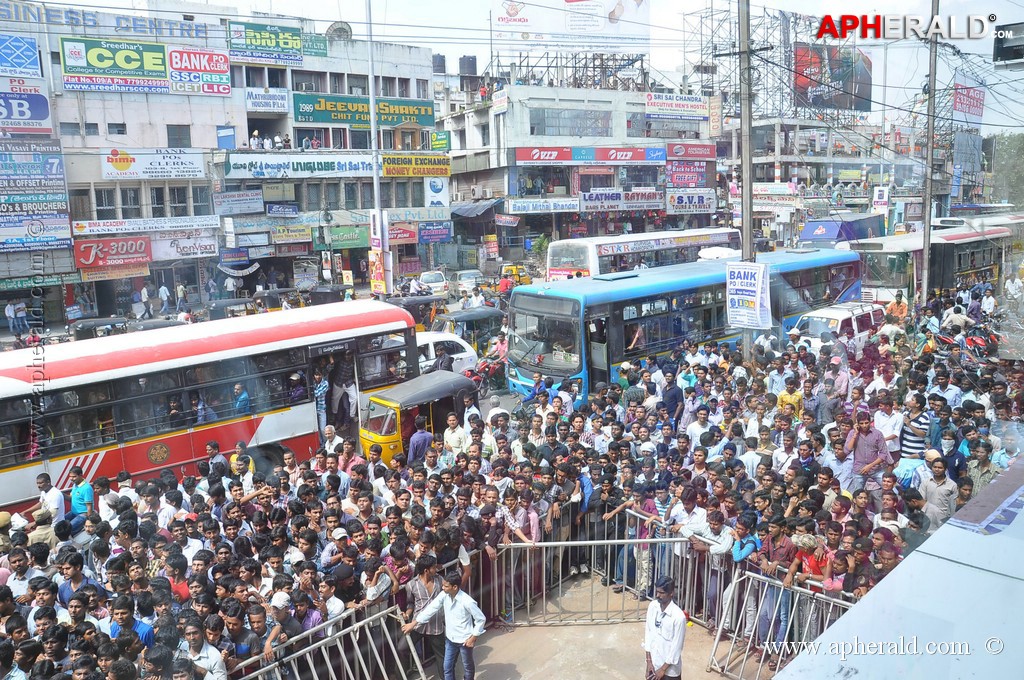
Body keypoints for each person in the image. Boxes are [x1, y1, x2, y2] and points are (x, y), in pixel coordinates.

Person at [401, 571, 486, 680]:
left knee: (467, 666)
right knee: (447, 667)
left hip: (465, 640)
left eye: (446, 586)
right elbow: (431, 609)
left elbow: (481, 619)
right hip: (450, 639)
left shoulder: (467, 601)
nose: (443, 588)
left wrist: (473, 637)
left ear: (454, 587)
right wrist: (414, 623)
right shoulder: (444, 595)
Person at [643, 575, 687, 680]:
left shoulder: (678, 617)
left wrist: (663, 669)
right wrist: (648, 661)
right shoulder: (653, 606)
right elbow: (648, 634)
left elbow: (676, 647)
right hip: (653, 665)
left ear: (671, 593)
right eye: (657, 592)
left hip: (669, 672)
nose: (658, 595)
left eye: (662, 593)